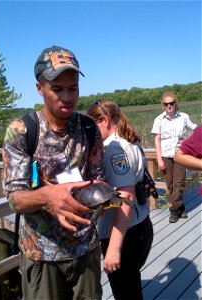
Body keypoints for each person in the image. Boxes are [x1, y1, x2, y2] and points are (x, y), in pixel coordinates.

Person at [3, 45, 105, 300]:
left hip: (86, 249)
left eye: (73, 88)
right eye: (57, 89)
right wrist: (50, 196)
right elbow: (16, 199)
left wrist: (104, 198)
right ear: (40, 88)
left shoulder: (89, 128)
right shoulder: (22, 131)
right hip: (41, 255)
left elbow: (98, 179)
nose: (67, 97)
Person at [87, 99, 154, 300]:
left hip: (123, 233)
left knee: (125, 292)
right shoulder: (131, 140)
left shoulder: (112, 149)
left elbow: (125, 194)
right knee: (131, 284)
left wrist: (114, 249)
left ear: (105, 120)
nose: (91, 130)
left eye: (92, 124)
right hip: (141, 224)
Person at [151, 91, 197, 223]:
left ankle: (173, 211)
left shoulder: (183, 117)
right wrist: (159, 159)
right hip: (166, 156)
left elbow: (196, 130)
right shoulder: (159, 120)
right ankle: (181, 208)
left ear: (175, 103)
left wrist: (188, 141)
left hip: (181, 155)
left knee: (179, 183)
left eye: (171, 103)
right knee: (170, 185)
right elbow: (157, 141)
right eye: (166, 104)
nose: (169, 106)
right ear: (163, 105)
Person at [174, 125, 202, 195]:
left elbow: (193, 126)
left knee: (178, 182)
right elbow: (179, 156)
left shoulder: (184, 117)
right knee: (175, 183)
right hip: (167, 155)